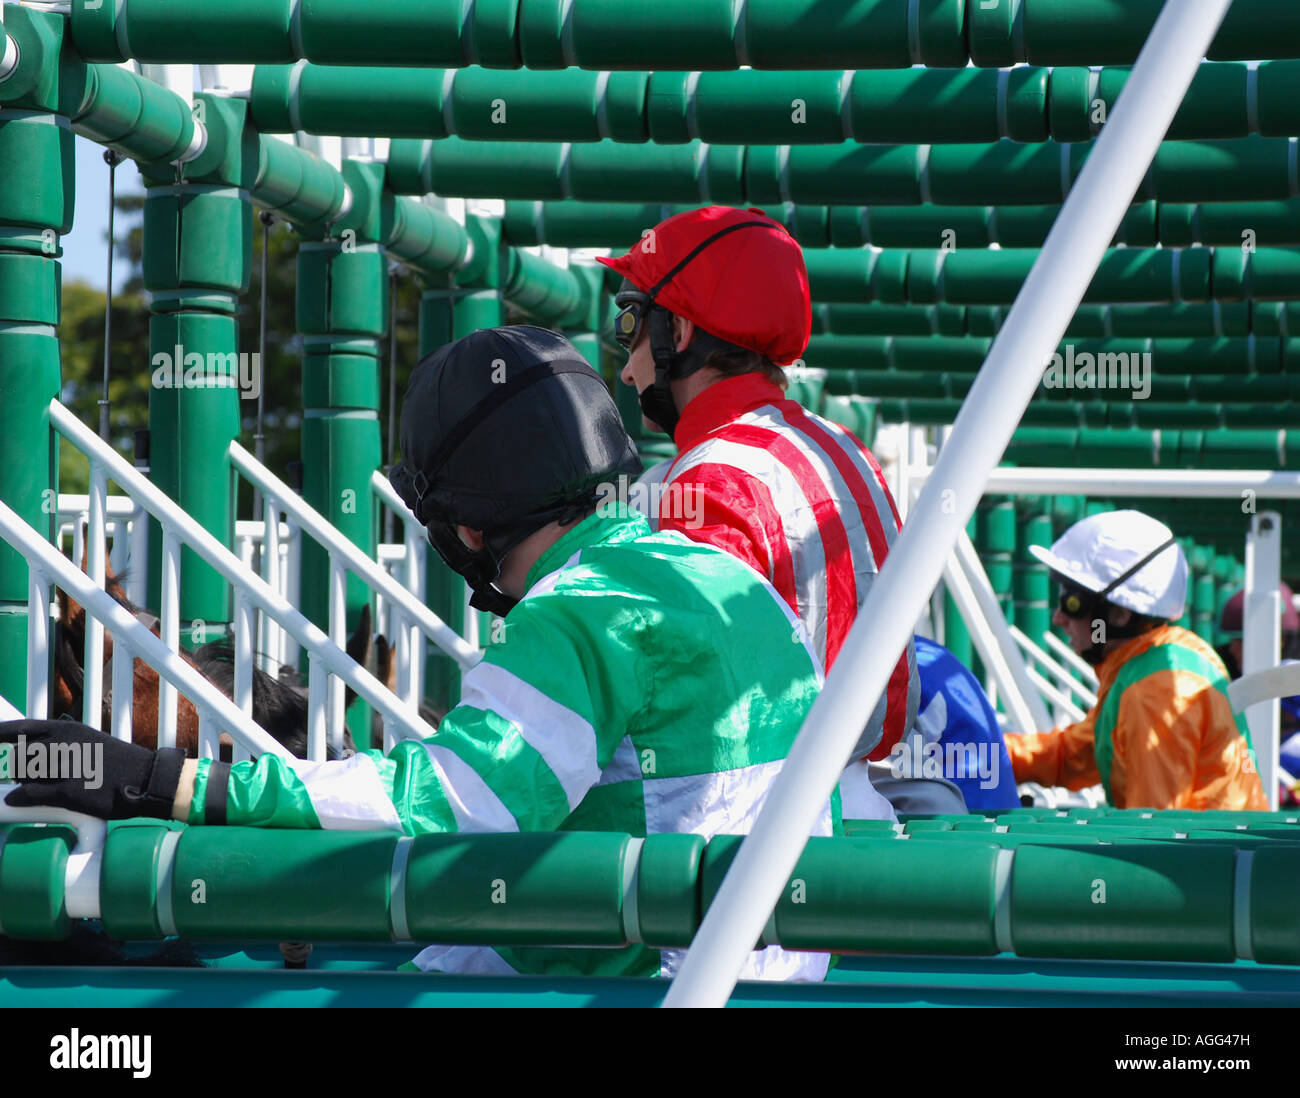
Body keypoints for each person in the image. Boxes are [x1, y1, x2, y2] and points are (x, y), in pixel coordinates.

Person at [1, 326, 836, 981]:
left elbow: (446, 803)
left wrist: (161, 781)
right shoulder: (719, 573)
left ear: (466, 527)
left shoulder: (579, 613)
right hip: (762, 966)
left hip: (658, 981)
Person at [597, 205, 918, 807]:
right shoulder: (845, 449)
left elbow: (692, 704)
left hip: (755, 826)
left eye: (631, 322)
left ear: (680, 334)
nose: (626, 362)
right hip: (859, 802)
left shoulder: (710, 478)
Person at [1006, 509, 1266, 811]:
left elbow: (1153, 833)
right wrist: (984, 757)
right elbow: (1076, 754)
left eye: (1072, 602)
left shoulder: (1154, 692)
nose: (1059, 617)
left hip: (1209, 856)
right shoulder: (1154, 662)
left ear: (1119, 614)